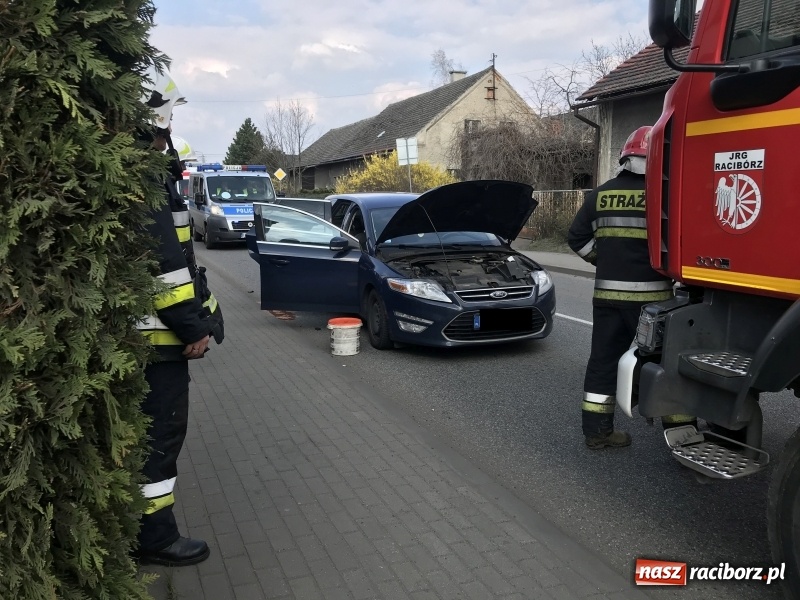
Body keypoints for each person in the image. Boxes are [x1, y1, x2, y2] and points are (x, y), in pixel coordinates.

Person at [133, 70, 222, 566]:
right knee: (160, 439)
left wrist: (209, 312)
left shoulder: (153, 178)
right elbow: (167, 270)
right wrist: (193, 329)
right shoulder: (148, 183)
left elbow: (183, 261)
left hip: (155, 340)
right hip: (158, 344)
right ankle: (155, 539)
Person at [568, 126, 689, 449]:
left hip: (607, 297)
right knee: (667, 363)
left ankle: (597, 432)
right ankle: (682, 437)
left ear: (625, 158)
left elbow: (576, 238)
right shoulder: (665, 195)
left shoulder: (600, 194)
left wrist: (602, 259)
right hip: (655, 303)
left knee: (603, 361)